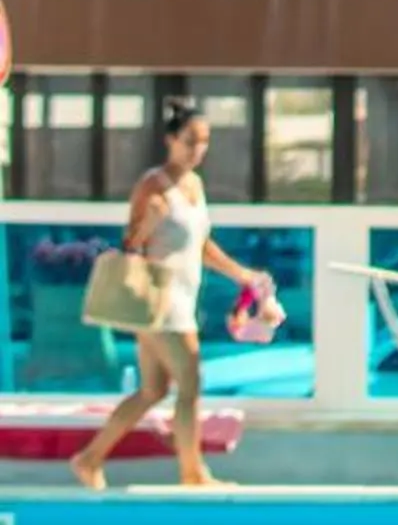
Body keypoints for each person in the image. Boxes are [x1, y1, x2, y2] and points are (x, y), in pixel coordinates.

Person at [69, 99, 273, 490]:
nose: (198, 149)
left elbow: (201, 243)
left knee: (153, 390)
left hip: (183, 296)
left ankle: (90, 459)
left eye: (204, 142)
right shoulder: (152, 184)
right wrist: (151, 219)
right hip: (159, 302)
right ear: (171, 140)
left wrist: (240, 274)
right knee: (190, 385)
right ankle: (192, 473)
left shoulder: (195, 185)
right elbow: (130, 243)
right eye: (190, 141)